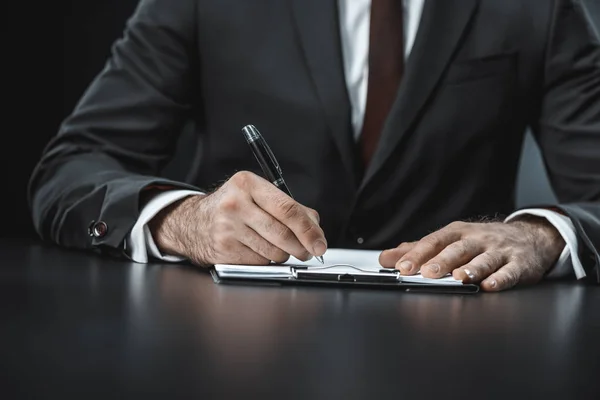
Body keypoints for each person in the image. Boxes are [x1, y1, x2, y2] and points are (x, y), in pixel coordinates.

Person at [29, 0, 600, 291]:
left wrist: (542, 234)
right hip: (229, 347)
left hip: (467, 352)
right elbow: (70, 169)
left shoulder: (543, 7)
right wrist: (183, 221)